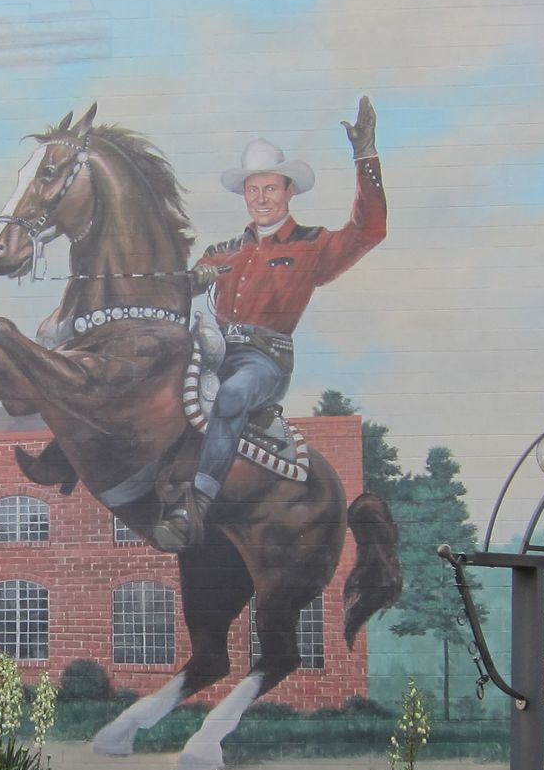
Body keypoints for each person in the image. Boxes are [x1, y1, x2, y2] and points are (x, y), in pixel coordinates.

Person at [156, 97, 386, 551]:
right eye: (253, 191)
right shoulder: (225, 250)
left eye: (271, 189)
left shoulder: (311, 246)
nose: (261, 199)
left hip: (264, 361)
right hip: (214, 350)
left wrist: (366, 159)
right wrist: (194, 278)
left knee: (233, 395)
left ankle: (199, 499)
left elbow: (368, 231)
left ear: (288, 192)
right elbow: (185, 284)